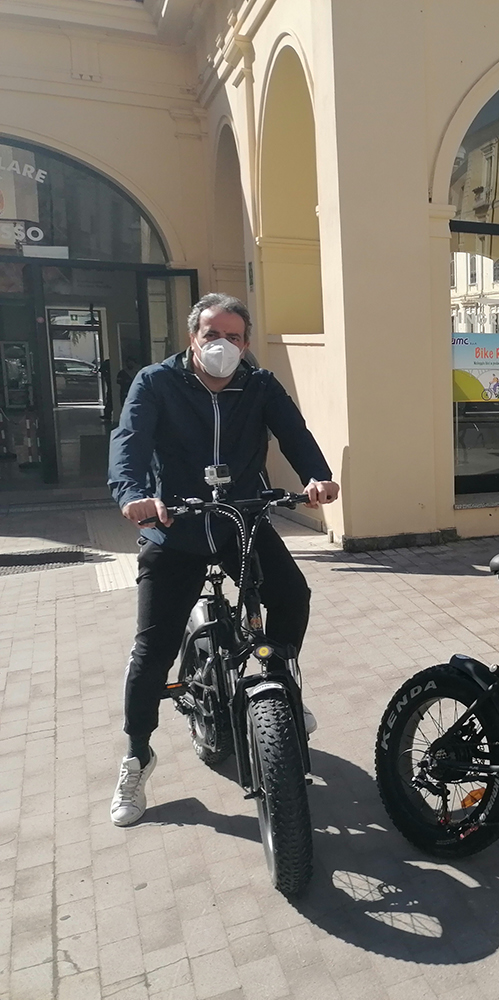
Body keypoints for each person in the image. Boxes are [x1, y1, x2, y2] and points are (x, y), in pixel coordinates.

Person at [107, 293, 340, 827]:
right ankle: (137, 755)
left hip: (244, 523)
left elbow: (295, 434)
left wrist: (316, 476)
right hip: (176, 528)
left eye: (234, 337)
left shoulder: (258, 384)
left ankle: (277, 680)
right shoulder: (156, 382)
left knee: (291, 595)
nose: (223, 345)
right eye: (213, 334)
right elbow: (131, 442)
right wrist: (133, 494)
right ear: (193, 337)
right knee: (153, 649)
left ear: (246, 342)